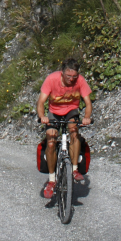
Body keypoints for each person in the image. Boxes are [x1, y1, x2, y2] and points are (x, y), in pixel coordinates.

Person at [37, 57, 92, 199]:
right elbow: (41, 101)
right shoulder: (51, 79)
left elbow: (87, 102)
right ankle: (51, 180)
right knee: (50, 141)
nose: (72, 79)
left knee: (74, 133)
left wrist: (86, 117)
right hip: (54, 112)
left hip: (71, 111)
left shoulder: (80, 81)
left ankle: (74, 170)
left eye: (74, 76)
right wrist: (42, 116)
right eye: (68, 76)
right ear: (62, 73)